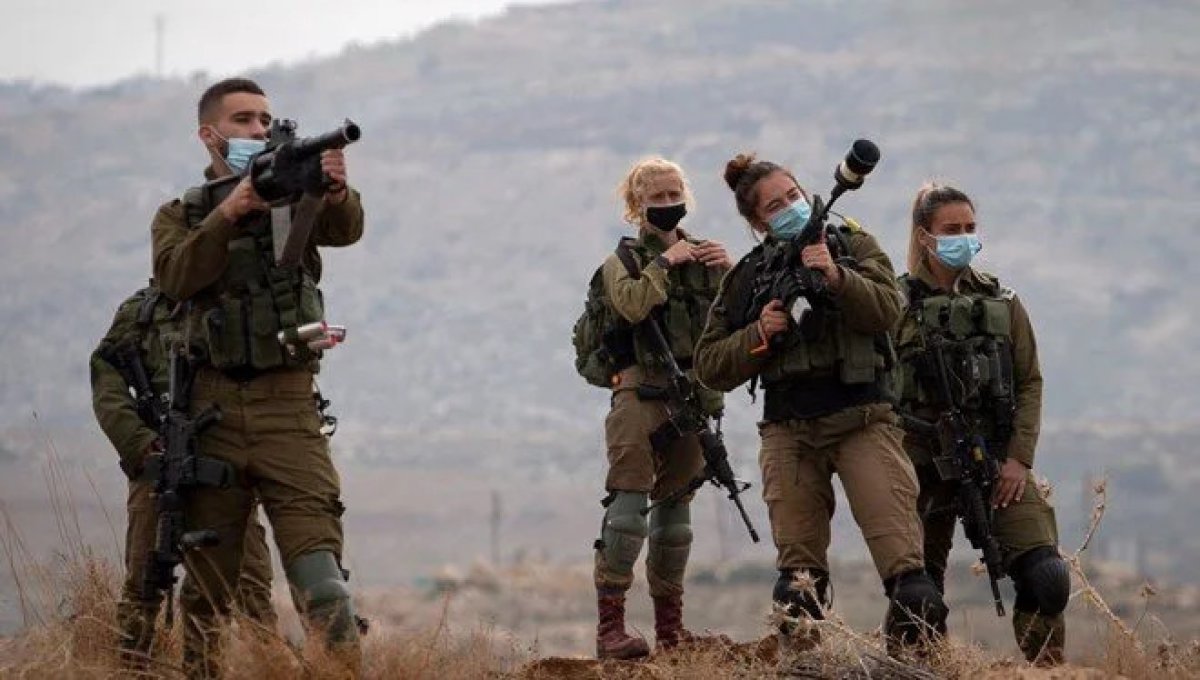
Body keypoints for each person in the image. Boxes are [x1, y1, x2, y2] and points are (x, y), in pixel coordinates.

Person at [149, 77, 364, 676]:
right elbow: (175, 277)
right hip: (212, 412)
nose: (258, 130)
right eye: (243, 120)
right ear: (209, 134)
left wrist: (335, 189)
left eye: (265, 121)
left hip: (287, 408)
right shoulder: (183, 214)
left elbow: (346, 230)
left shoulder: (296, 199)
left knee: (325, 588)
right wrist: (228, 214)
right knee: (205, 599)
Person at [693, 153, 946, 650]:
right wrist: (759, 333)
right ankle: (805, 665)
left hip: (862, 420)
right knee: (797, 590)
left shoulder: (851, 244)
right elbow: (709, 365)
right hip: (789, 430)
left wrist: (835, 277)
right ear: (757, 222)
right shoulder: (747, 278)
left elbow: (889, 310)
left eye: (793, 195)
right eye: (774, 205)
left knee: (913, 587)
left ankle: (919, 664)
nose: (790, 206)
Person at [893, 183, 1068, 664]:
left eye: (970, 228)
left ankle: (1048, 669)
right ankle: (915, 668)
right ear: (925, 236)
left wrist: (1018, 459)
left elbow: (1029, 382)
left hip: (994, 458)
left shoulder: (1002, 302)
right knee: (917, 594)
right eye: (952, 229)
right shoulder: (894, 303)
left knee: (1047, 576)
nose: (964, 237)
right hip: (919, 463)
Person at [576, 157, 732, 658]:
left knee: (676, 517)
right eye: (656, 197)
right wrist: (665, 263)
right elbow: (631, 305)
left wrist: (728, 271)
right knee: (627, 511)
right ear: (636, 204)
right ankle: (611, 631)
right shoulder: (622, 262)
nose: (668, 204)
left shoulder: (705, 257)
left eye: (674, 195)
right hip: (637, 392)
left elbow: (732, 324)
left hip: (690, 395)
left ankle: (671, 632)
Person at [89, 284, 277, 668]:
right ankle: (134, 671)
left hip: (224, 466)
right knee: (144, 584)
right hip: (159, 465)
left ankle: (256, 669)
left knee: (250, 587)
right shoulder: (142, 312)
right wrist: (139, 443)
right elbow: (105, 376)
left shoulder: (239, 304)